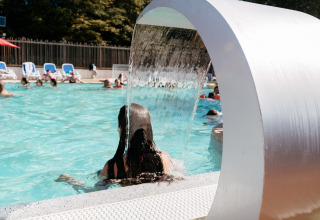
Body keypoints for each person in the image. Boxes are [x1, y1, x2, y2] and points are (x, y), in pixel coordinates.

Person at [57, 103, 173, 187]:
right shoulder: (164, 158)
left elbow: (93, 194)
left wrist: (70, 180)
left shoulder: (113, 166)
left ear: (121, 128)